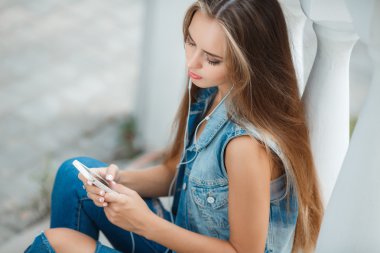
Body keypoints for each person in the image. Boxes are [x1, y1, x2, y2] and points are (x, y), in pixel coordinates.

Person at [25, 0, 324, 252]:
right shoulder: (210, 90)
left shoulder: (245, 146)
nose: (192, 63)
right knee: (73, 177)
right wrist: (116, 182)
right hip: (180, 235)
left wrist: (144, 223)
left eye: (212, 58)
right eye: (191, 42)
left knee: (57, 243)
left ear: (249, 61)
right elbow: (176, 173)